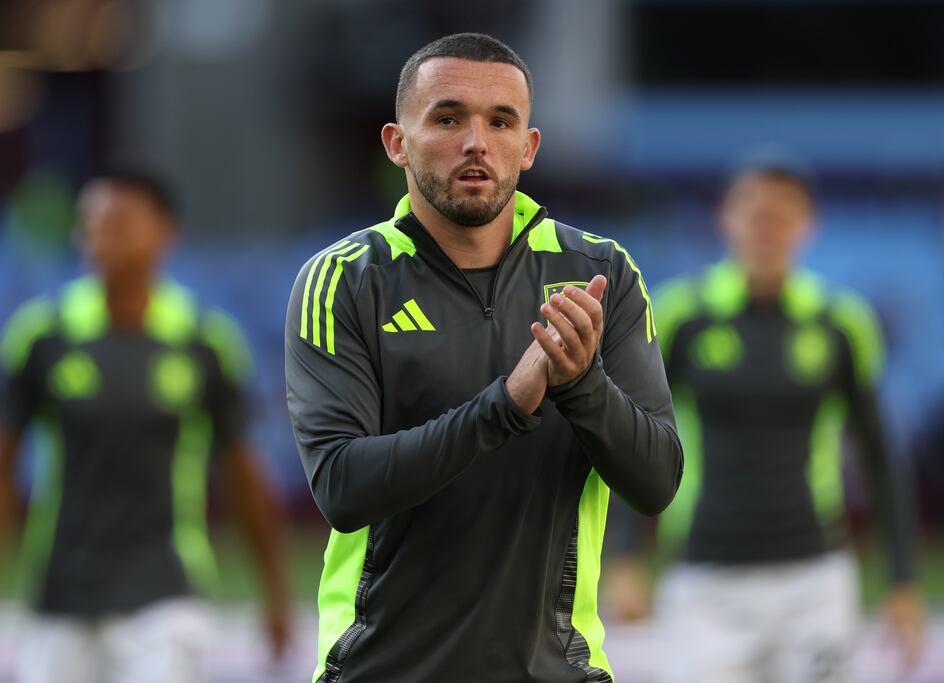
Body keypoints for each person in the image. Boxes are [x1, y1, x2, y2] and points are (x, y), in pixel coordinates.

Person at [284, 33, 683, 683]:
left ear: (527, 148)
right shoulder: (345, 279)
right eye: (447, 118)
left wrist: (582, 386)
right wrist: (505, 405)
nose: (477, 141)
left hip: (561, 670)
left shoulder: (599, 272)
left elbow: (657, 480)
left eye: (501, 122)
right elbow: (342, 485)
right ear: (396, 142)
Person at [0, 168, 292, 683]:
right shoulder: (43, 336)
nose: (97, 237)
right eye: (88, 224)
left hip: (166, 590)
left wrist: (274, 593)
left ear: (164, 234)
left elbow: (243, 475)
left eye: (118, 222)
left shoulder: (204, 342)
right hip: (60, 593)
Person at [608, 154, 925, 682]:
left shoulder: (840, 324)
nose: (767, 226)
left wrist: (902, 582)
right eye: (754, 211)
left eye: (783, 213)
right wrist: (625, 557)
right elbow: (637, 442)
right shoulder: (683, 316)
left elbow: (878, 455)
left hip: (815, 580)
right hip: (705, 579)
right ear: (725, 218)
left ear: (808, 224)